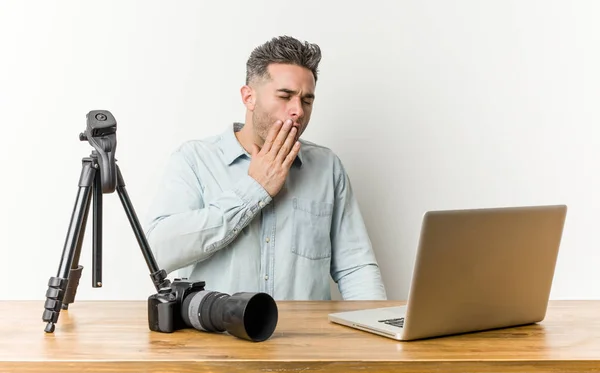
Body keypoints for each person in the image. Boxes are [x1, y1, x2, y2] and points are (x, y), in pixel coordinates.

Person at [144, 35, 387, 300]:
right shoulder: (194, 159)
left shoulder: (327, 167)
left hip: (305, 339)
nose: (298, 111)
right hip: (218, 338)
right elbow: (160, 251)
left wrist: (375, 332)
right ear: (249, 97)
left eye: (307, 100)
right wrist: (254, 189)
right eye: (285, 96)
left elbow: (356, 267)